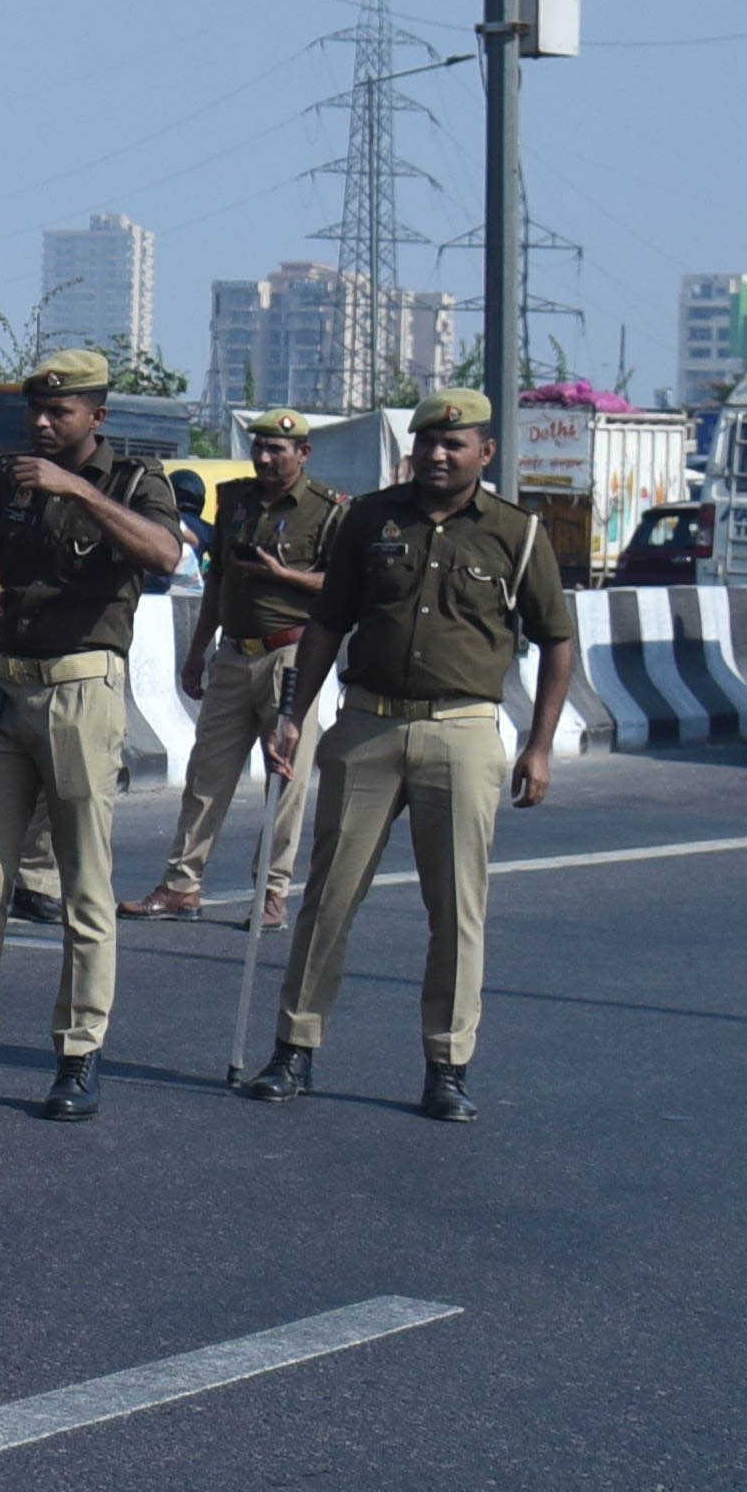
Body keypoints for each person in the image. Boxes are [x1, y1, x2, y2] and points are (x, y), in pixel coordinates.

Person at [247, 390, 577, 1120]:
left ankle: (447, 1066)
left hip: (462, 732)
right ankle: (294, 1050)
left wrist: (540, 745)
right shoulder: (371, 517)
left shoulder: (516, 534)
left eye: (454, 444)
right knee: (329, 897)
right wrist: (293, 718)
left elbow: (557, 639)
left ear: (485, 454)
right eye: (428, 441)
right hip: (366, 727)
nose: (437, 454)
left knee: (456, 909)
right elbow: (329, 623)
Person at [0, 352, 186, 1119]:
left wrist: (77, 490)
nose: (42, 422)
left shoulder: (135, 482)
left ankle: (78, 1051)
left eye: (60, 411)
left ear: (96, 417)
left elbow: (165, 555)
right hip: (8, 683)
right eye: (37, 409)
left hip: (82, 685)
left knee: (83, 881)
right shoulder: (10, 481)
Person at [131, 409, 344, 930]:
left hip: (293, 655)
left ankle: (272, 892)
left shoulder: (329, 509)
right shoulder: (236, 501)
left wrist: (284, 574)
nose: (267, 458)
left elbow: (342, 586)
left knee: (283, 780)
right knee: (207, 773)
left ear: (303, 455)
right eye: (261, 447)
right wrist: (198, 649)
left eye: (279, 449)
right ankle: (182, 885)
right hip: (233, 653)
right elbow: (218, 582)